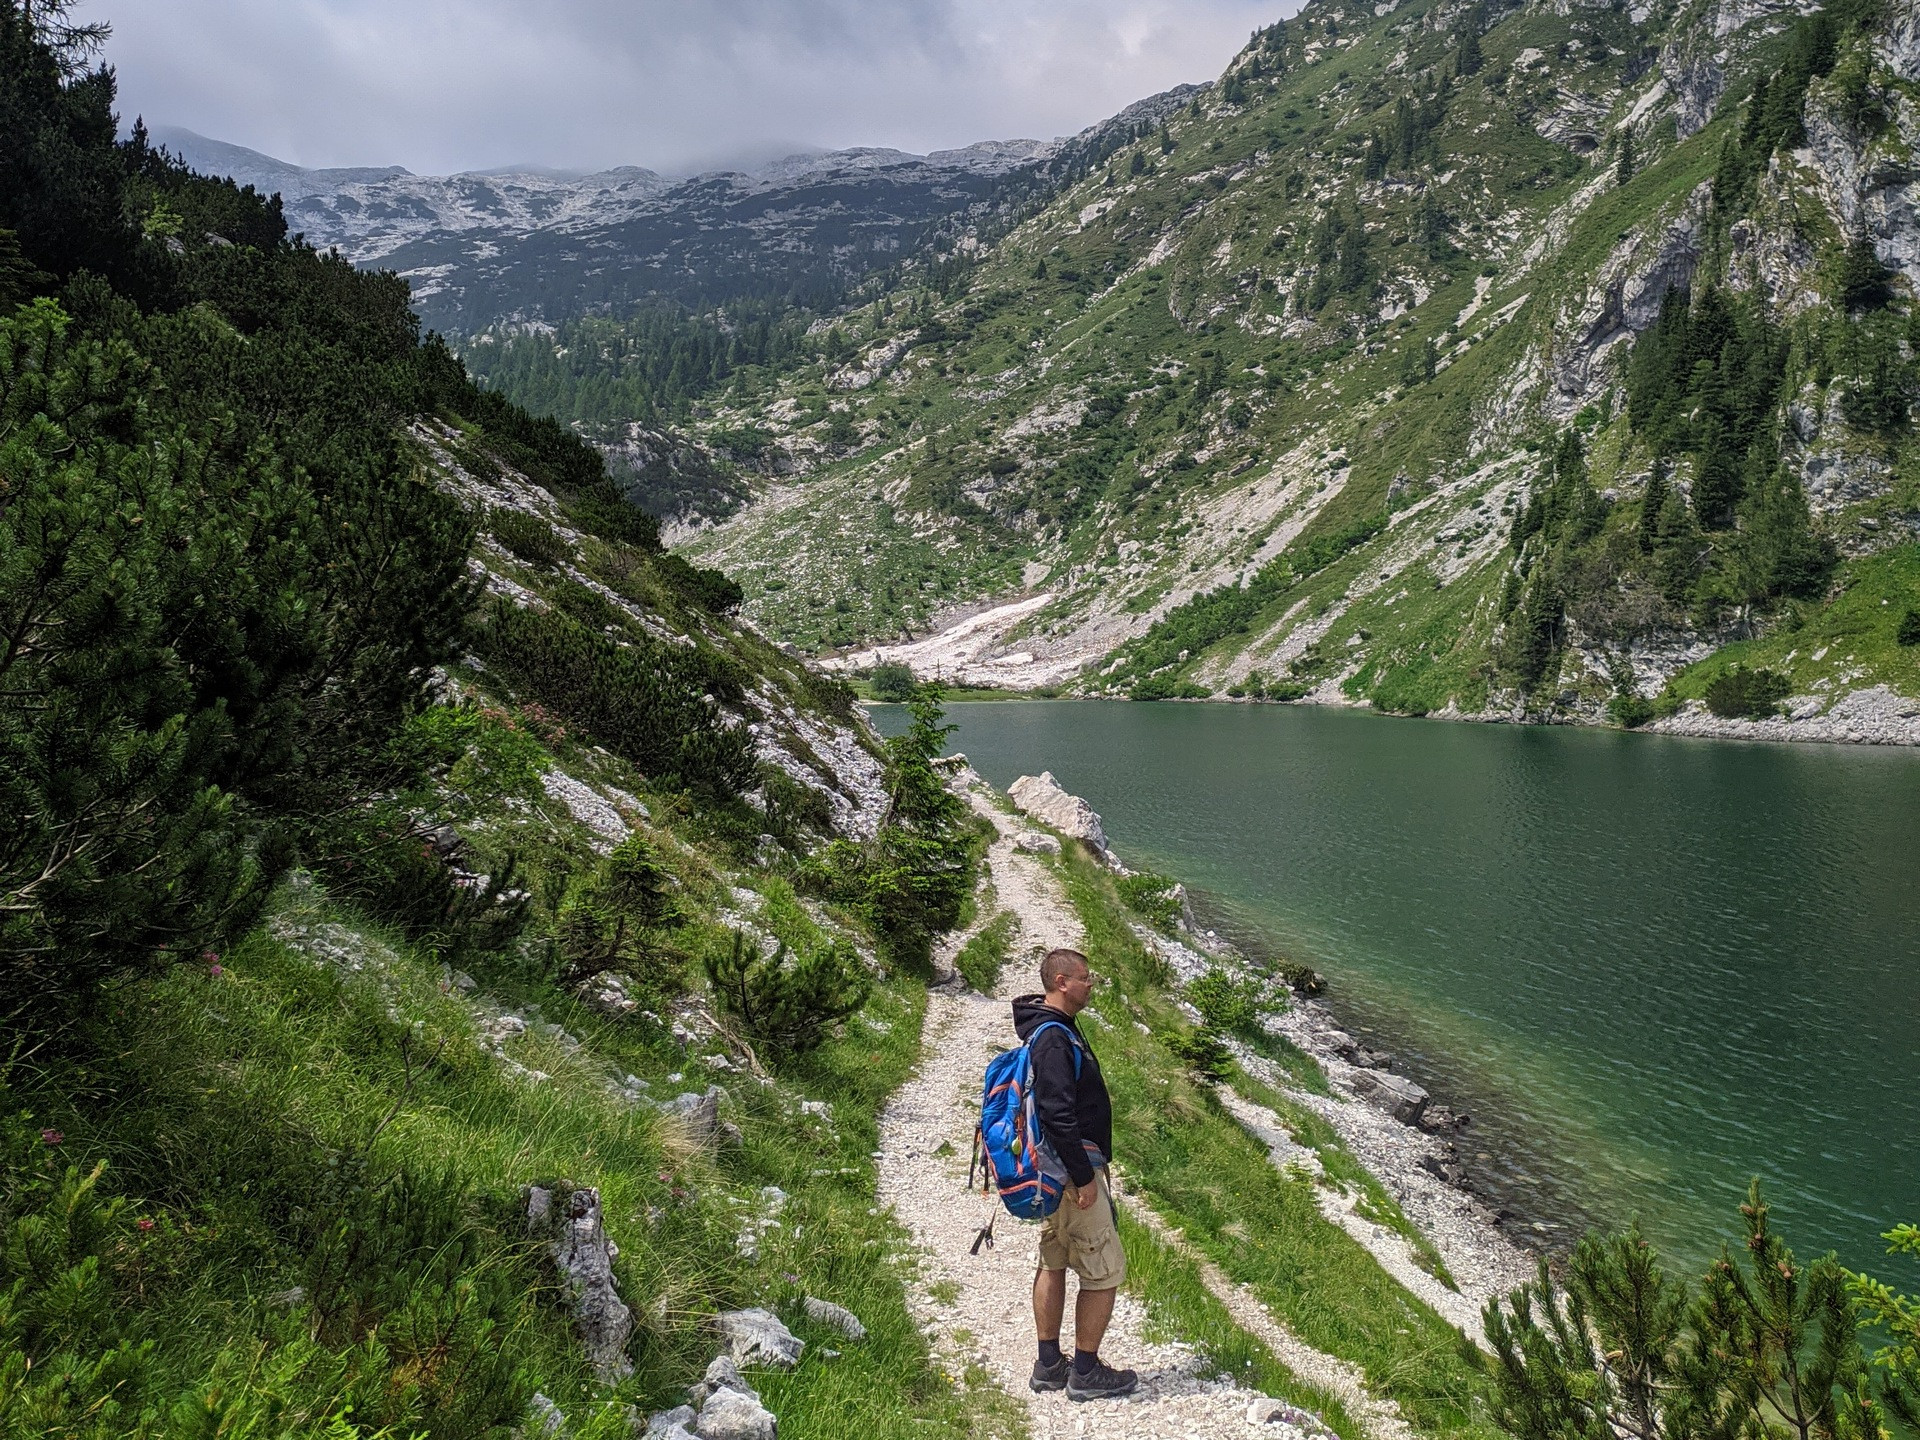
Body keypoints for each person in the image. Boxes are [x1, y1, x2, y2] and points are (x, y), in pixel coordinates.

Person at [1013, 947, 1138, 1401]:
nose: (1091, 984)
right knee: (1104, 1269)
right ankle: (1085, 1371)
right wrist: (1084, 1177)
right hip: (1071, 1173)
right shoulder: (1053, 1038)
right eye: (1085, 977)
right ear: (1061, 981)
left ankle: (1049, 1364)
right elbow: (1057, 1112)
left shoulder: (1048, 1030)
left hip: (1054, 1170)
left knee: (1055, 1257)